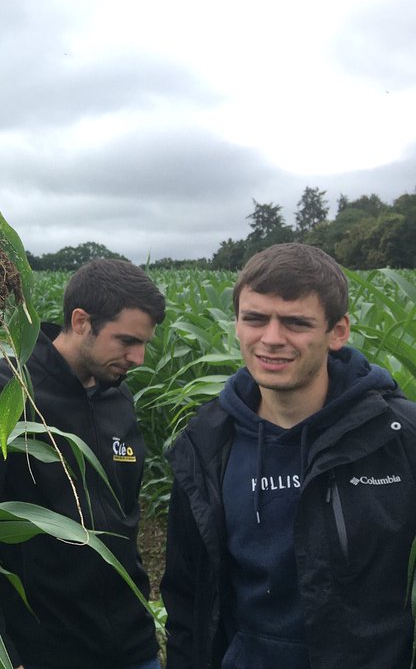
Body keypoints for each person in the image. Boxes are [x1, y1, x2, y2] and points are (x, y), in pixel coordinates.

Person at [162, 242, 416, 668]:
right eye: (255, 319)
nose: (272, 339)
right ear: (237, 325)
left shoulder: (398, 436)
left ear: (338, 332)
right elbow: (188, 599)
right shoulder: (205, 443)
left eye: (296, 322)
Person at [0, 258, 166, 669]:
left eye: (144, 343)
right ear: (81, 320)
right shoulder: (2, 393)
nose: (138, 358)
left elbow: (125, 518)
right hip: (46, 651)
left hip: (132, 645)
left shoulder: (118, 397)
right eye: (126, 341)